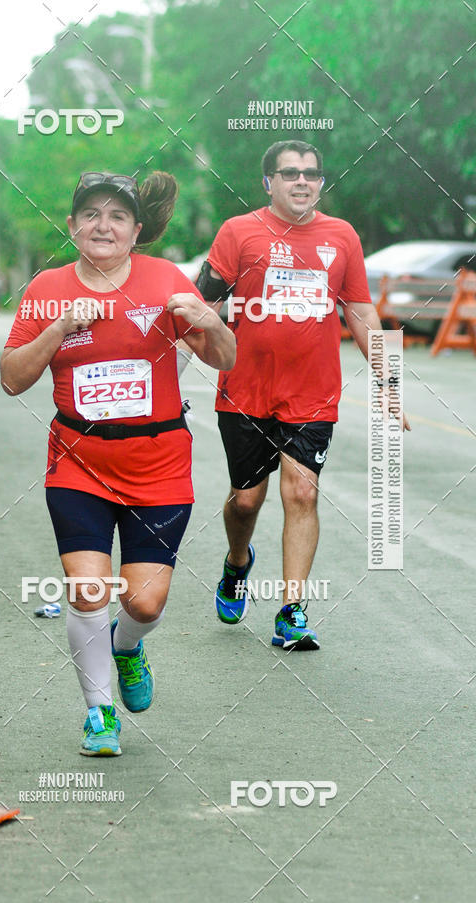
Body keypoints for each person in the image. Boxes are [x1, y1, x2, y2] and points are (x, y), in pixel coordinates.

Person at [1, 171, 235, 756]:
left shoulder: (165, 281)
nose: (103, 226)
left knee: (144, 603)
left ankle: (126, 646)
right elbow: (11, 379)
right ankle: (99, 713)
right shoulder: (47, 288)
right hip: (78, 463)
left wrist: (210, 322)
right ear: (73, 224)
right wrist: (59, 326)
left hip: (159, 465)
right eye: (91, 214)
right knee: (87, 590)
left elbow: (225, 357)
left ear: (136, 230)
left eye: (118, 217)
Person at [196, 140, 409, 649]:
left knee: (302, 492)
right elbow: (201, 304)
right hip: (245, 392)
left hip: (311, 394)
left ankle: (292, 611)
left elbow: (360, 313)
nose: (302, 182)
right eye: (289, 173)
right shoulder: (238, 232)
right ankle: (237, 563)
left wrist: (388, 381)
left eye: (311, 174)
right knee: (245, 502)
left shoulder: (342, 236)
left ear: (321, 182)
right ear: (267, 181)